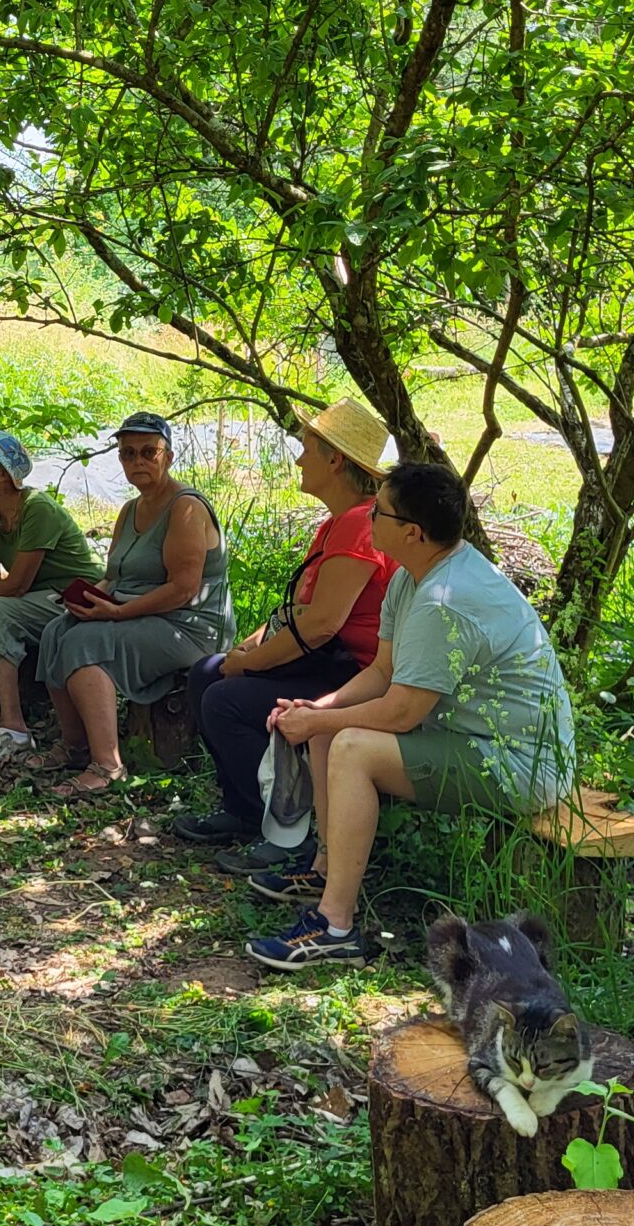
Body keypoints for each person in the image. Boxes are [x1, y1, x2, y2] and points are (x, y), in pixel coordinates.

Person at [245, 458, 578, 973]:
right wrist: (321, 709)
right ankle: (326, 872)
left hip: (518, 764)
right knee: (331, 732)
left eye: (378, 511)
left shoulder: (444, 600)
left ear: (413, 533)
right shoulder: (414, 577)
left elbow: (400, 712)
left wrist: (322, 722)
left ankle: (334, 926)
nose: (368, 517)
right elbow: (383, 672)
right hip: (471, 739)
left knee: (352, 747)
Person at [176, 401, 394, 853]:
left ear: (335, 460)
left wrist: (249, 664)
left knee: (225, 699)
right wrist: (248, 648)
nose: (298, 459)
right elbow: (296, 611)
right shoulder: (338, 523)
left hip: (355, 675)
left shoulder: (358, 526)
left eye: (307, 449)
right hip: (328, 662)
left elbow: (320, 625)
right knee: (207, 672)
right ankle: (243, 809)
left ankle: (289, 832)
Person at [35, 411, 235, 799]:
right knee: (56, 631)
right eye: (128, 454)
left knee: (83, 643)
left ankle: (108, 765)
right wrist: (89, 596)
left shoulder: (185, 507)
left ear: (169, 456)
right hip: (135, 611)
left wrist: (118, 613)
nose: (138, 462)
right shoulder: (129, 510)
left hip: (188, 624)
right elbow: (114, 575)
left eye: (148, 452)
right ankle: (75, 745)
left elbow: (184, 588)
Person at [0, 432, 100, 775]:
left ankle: (14, 729)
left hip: (73, 597)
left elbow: (15, 586)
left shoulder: (36, 509)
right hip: (37, 598)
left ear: (1, 473)